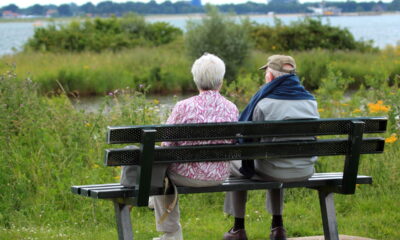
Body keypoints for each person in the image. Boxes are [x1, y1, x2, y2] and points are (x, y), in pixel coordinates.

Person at [223, 55, 320, 240]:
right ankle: (278, 226)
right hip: (305, 169)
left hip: (274, 169)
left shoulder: (264, 103)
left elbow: (247, 141)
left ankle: (238, 228)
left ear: (271, 77)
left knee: (235, 163)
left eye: (266, 72)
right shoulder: (311, 101)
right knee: (277, 156)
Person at [151, 53, 239, 240]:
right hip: (219, 175)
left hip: (185, 176)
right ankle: (156, 204)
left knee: (158, 169)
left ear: (196, 80)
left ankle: (171, 233)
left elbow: (166, 144)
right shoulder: (231, 108)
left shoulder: (183, 106)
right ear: (221, 81)